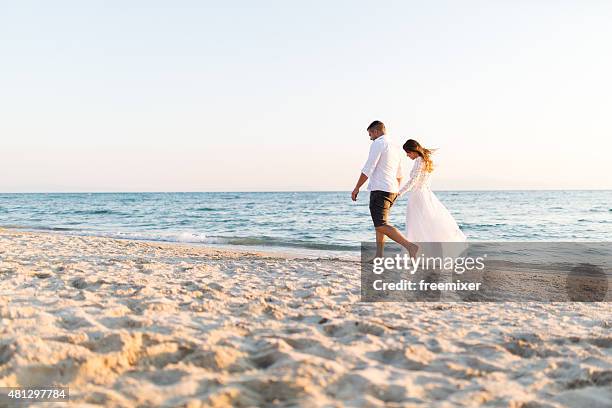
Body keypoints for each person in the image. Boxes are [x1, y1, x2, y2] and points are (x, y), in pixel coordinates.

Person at [352, 121, 418, 258]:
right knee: (381, 224)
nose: (370, 137)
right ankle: (379, 256)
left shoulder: (378, 143)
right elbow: (400, 174)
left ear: (376, 131)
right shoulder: (395, 146)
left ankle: (410, 246)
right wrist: (395, 189)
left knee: (381, 225)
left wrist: (357, 187)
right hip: (392, 189)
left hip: (380, 189)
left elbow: (369, 167)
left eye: (370, 134)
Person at [399, 139, 466, 243]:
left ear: (413, 151)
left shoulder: (419, 160)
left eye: (407, 153)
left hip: (418, 196)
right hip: (426, 195)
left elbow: (413, 180)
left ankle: (417, 252)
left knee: (416, 225)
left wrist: (399, 193)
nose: (407, 155)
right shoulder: (426, 160)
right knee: (427, 224)